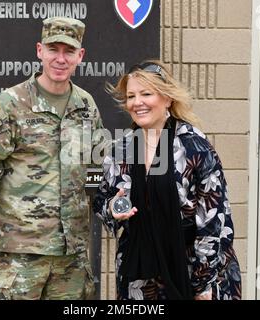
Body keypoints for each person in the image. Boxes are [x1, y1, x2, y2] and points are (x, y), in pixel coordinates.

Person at [0, 17, 104, 300]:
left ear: (80, 56)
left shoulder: (85, 105)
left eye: (69, 51)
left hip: (71, 252)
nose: (60, 59)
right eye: (53, 49)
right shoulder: (12, 102)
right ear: (40, 51)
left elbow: (101, 159)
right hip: (23, 250)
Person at [93, 60, 241, 300]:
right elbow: (101, 200)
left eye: (146, 94)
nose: (137, 102)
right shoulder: (122, 149)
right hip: (140, 278)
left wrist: (203, 285)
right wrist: (113, 207)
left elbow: (214, 221)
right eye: (131, 96)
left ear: (167, 99)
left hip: (191, 271)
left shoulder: (195, 148)